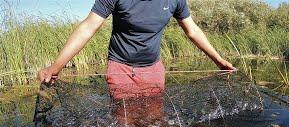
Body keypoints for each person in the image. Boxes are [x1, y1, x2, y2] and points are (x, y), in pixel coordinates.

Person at [37, 0, 236, 99]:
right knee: (125, 123)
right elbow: (87, 28)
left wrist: (219, 60)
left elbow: (193, 31)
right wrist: (56, 67)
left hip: (154, 69)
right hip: (120, 69)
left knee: (155, 122)